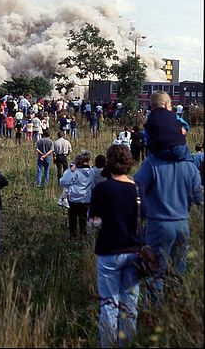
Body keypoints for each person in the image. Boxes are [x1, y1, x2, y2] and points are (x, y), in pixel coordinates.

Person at [88, 144, 143, 349]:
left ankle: (109, 344)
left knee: (109, 305)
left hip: (109, 250)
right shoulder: (137, 188)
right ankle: (126, 343)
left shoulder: (103, 188)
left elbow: (94, 222)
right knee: (129, 305)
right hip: (133, 251)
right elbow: (142, 218)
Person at [134, 137, 203, 295]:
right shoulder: (189, 165)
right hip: (182, 223)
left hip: (158, 223)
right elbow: (198, 198)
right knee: (178, 270)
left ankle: (154, 310)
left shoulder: (152, 163)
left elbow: (137, 186)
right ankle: (174, 303)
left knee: (155, 270)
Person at [143, 91, 191, 161]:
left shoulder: (150, 118)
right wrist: (182, 131)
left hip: (158, 151)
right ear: (166, 105)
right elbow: (185, 125)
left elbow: (146, 134)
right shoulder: (174, 115)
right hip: (178, 150)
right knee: (187, 155)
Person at [60, 151, 94, 238]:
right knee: (83, 218)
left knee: (72, 218)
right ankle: (83, 236)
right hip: (86, 198)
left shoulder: (74, 171)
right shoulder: (92, 171)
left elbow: (63, 181)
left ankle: (73, 235)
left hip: (74, 198)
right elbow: (93, 184)